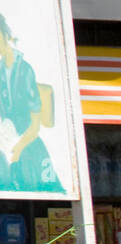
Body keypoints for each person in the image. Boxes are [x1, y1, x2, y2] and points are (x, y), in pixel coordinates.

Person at [0, 15, 62, 193]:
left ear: (5, 35)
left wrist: (17, 149)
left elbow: (34, 126)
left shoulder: (25, 70)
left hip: (26, 147)